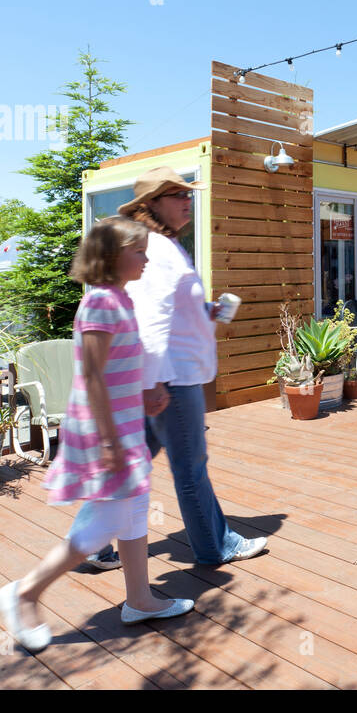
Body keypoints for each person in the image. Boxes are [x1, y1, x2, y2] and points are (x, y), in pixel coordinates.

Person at [0, 216, 193, 652]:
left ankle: (140, 599)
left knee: (134, 509)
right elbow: (93, 376)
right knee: (101, 523)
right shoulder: (101, 302)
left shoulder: (121, 298)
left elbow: (121, 367)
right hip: (104, 432)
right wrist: (107, 441)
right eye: (138, 250)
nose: (145, 258)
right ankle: (24, 592)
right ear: (111, 255)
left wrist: (145, 394)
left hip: (123, 424)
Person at [119, 167, 267, 566]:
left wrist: (206, 310)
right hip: (171, 378)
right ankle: (216, 546)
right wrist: (153, 383)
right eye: (176, 196)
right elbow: (150, 316)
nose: (187, 202)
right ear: (151, 204)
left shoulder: (158, 245)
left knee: (133, 466)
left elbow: (172, 308)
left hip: (161, 375)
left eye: (188, 195)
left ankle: (93, 543)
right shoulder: (157, 248)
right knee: (190, 467)